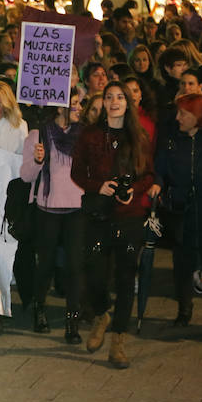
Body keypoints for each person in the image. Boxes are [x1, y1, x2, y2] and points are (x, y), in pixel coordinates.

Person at [71, 81, 153, 369]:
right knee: (94, 271)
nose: (114, 101)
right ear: (103, 102)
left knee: (125, 275)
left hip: (129, 216)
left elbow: (149, 174)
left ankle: (118, 338)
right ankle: (101, 314)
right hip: (98, 214)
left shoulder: (139, 136)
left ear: (128, 103)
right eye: (109, 97)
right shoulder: (90, 135)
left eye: (120, 97)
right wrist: (98, 186)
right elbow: (77, 172)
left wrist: (136, 190)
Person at [20, 90, 84, 343]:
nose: (79, 108)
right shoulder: (38, 135)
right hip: (47, 209)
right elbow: (25, 176)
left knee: (75, 267)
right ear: (60, 107)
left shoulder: (83, 135)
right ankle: (40, 309)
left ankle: (73, 322)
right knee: (44, 264)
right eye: (75, 103)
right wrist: (37, 161)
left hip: (77, 209)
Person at [150, 94, 202, 327]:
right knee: (182, 260)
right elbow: (160, 168)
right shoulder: (171, 140)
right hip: (182, 209)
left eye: (184, 113)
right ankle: (184, 307)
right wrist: (157, 184)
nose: (178, 117)